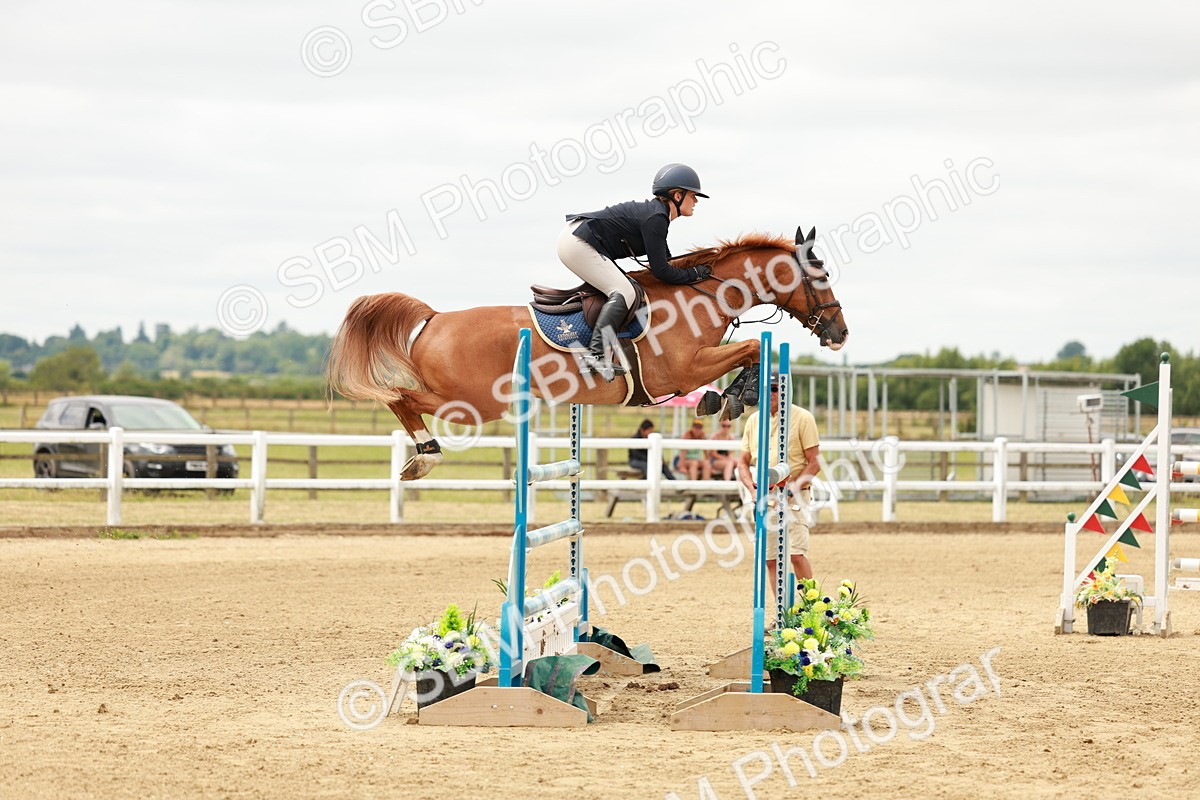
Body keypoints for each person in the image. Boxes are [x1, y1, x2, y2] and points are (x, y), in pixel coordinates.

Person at [558, 163, 713, 382]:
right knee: (625, 292)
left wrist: (695, 268)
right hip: (578, 242)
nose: (696, 201)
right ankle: (595, 355)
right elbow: (661, 272)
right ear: (677, 195)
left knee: (627, 287)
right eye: (693, 195)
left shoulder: (658, 216)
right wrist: (695, 274)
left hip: (579, 239)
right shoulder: (656, 219)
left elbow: (667, 263)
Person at [736, 374, 821, 588]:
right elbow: (742, 463)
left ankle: (810, 606)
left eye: (774, 388)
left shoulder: (802, 418)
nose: (770, 394)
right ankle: (780, 614)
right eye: (766, 389)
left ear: (785, 390)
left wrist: (792, 489)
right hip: (766, 496)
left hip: (795, 496)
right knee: (770, 559)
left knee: (796, 555)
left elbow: (815, 462)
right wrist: (752, 490)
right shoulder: (754, 421)